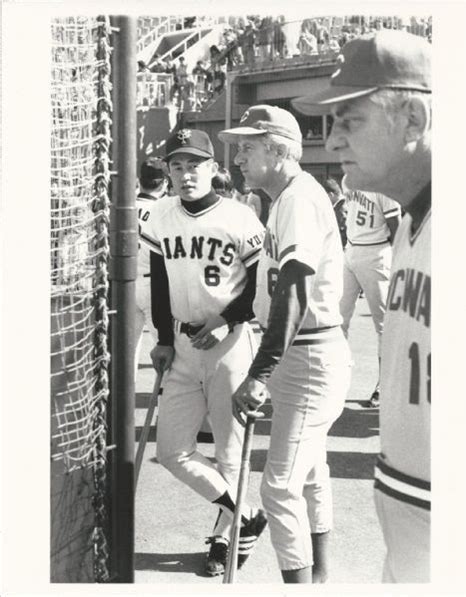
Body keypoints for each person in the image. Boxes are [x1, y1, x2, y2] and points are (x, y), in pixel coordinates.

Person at [293, 29, 431, 583]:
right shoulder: (415, 214)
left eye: (349, 120)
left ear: (414, 121)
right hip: (408, 524)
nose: (331, 143)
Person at [219, 106, 351, 584]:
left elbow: (295, 289)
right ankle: (320, 582)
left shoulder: (296, 199)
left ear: (278, 149)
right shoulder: (288, 198)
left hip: (310, 354)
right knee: (311, 472)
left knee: (277, 488)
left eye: (247, 146)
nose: (237, 157)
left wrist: (258, 373)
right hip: (309, 351)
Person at [139, 129, 267, 577]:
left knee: (231, 453)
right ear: (168, 172)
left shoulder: (240, 217)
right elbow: (158, 279)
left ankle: (224, 538)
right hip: (183, 341)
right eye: (177, 165)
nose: (185, 173)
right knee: (173, 451)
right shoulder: (159, 215)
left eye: (195, 164)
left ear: (213, 169)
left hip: (230, 341)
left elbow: (258, 286)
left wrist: (227, 320)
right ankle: (246, 513)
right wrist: (162, 338)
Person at [339, 177, 401, 408]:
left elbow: (396, 229)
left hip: (376, 253)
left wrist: (399, 261)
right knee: (337, 319)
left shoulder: (384, 183)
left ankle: (385, 385)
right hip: (351, 250)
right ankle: (336, 376)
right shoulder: (348, 178)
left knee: (384, 325)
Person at [135, 158, 169, 375]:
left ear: (139, 181)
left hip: (123, 285)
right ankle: (167, 405)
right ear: (165, 183)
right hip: (153, 286)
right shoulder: (165, 210)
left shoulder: (121, 205)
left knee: (125, 356)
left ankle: (121, 408)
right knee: (167, 353)